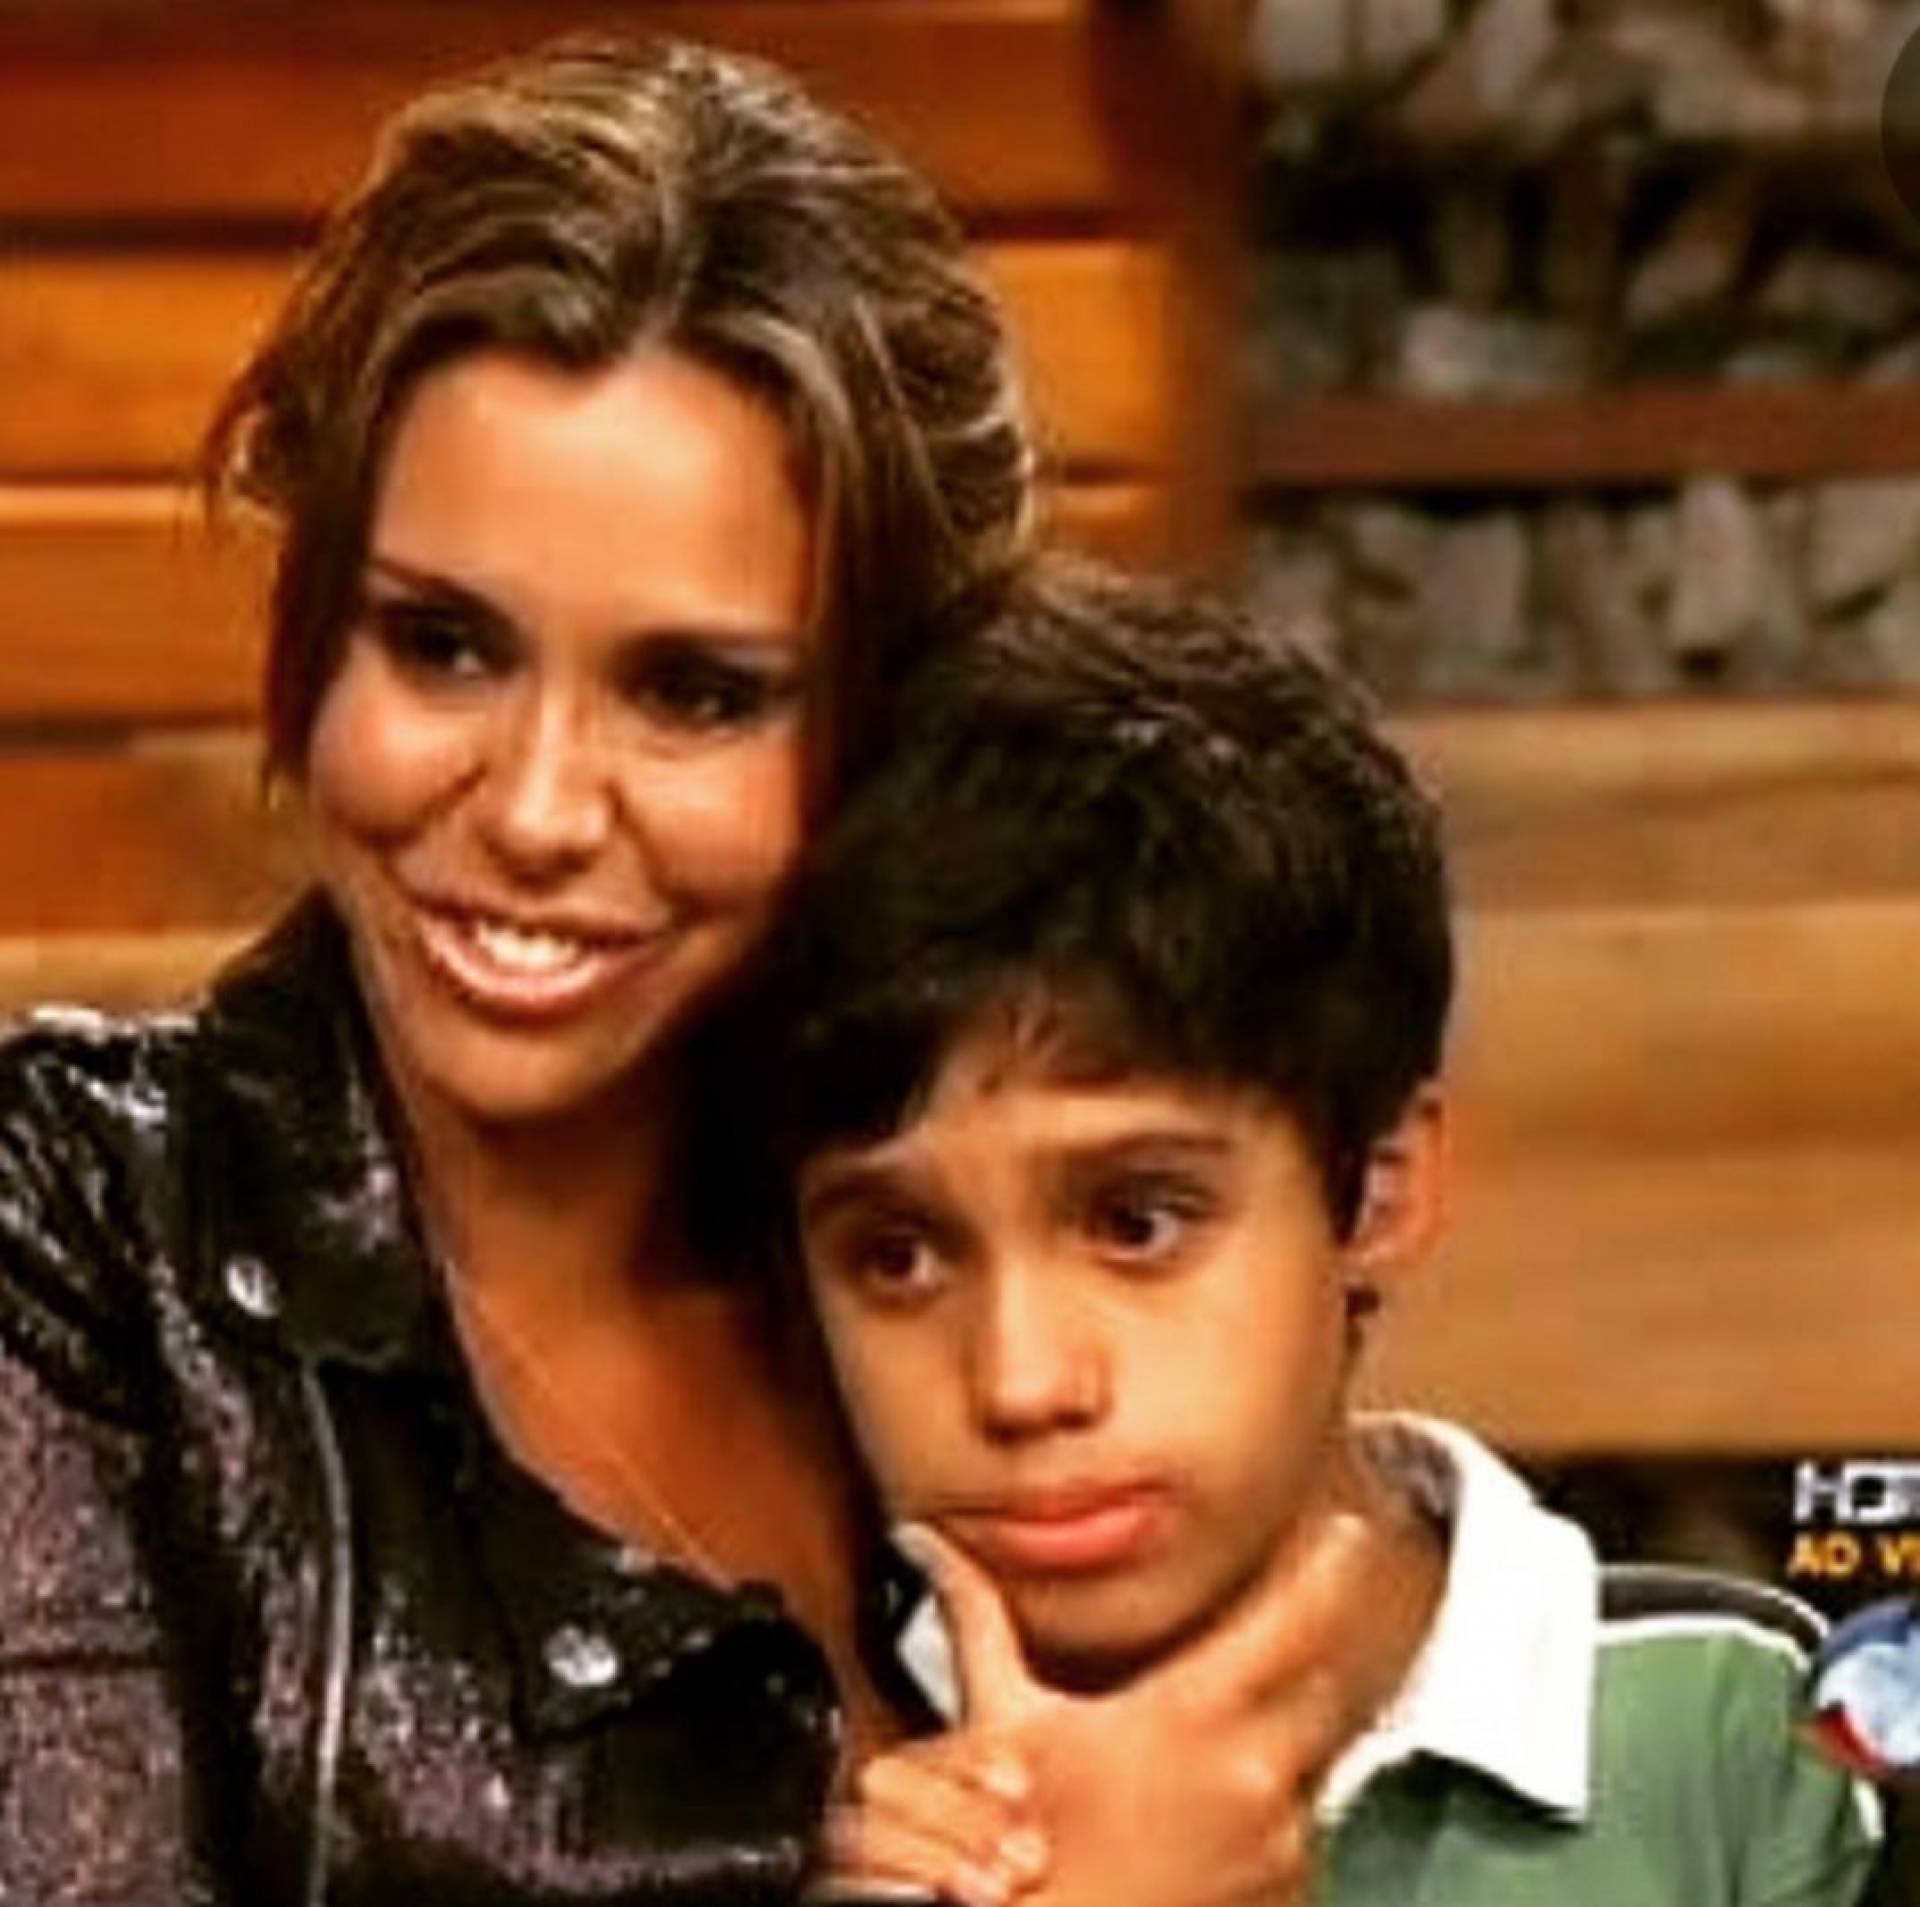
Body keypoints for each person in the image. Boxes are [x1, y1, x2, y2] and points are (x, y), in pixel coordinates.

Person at [0, 38, 1392, 1907]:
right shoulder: (74, 1239)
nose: (536, 810)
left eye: (695, 693)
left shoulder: (959, 1240)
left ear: (883, 720)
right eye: (443, 646)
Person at [744, 561, 1887, 1905]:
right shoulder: (790, 1802)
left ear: (1379, 1190)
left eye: (1136, 1222)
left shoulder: (1744, 1738)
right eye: (897, 1256)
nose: (1021, 1383)